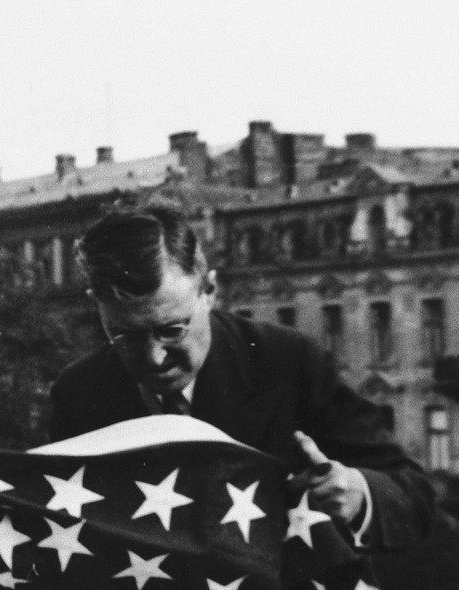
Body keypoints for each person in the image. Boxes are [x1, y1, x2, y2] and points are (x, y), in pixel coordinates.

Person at [50, 201, 433, 551]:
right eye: (125, 336)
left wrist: (356, 493)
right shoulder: (78, 392)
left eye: (171, 330)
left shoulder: (287, 361)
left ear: (210, 290)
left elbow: (412, 494)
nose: (154, 358)